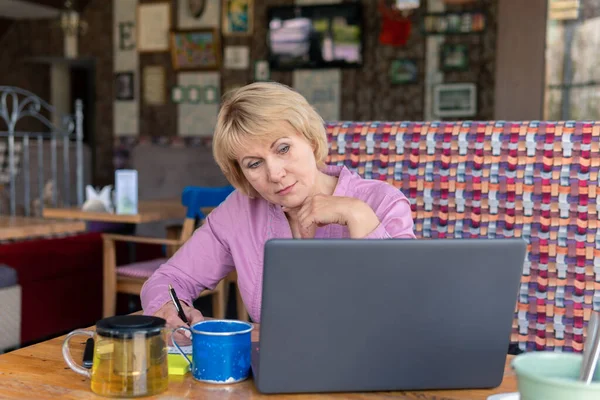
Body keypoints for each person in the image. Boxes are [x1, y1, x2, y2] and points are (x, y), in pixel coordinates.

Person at [140, 82, 416, 337]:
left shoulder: (382, 202)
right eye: (254, 163)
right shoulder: (239, 212)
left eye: (283, 148)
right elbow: (169, 278)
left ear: (311, 140)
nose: (275, 173)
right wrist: (166, 307)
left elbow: (406, 310)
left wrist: (358, 216)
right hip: (275, 373)